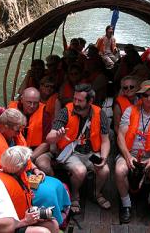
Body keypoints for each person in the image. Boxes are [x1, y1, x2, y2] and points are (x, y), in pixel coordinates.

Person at [46, 84, 111, 214]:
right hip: (72, 153)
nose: (75, 103)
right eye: (74, 99)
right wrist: (57, 135)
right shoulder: (66, 111)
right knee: (80, 171)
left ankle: (96, 194)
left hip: (91, 152)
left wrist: (103, 157)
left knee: (105, 170)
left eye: (80, 100)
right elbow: (49, 138)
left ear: (90, 101)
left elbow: (105, 140)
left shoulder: (99, 113)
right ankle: (75, 196)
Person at [116, 80, 150, 224]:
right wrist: (127, 156)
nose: (148, 99)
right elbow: (121, 135)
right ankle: (126, 204)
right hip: (131, 153)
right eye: (145, 95)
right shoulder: (130, 111)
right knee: (120, 171)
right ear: (141, 96)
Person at [0, 146, 66, 232]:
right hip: (13, 225)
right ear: (20, 167)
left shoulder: (18, 175)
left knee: (53, 223)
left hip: (24, 217)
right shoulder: (0, 185)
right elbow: (5, 220)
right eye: (26, 163)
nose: (28, 165)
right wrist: (25, 221)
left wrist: (33, 210)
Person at [0, 107, 44, 178]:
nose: (19, 133)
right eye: (17, 130)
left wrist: (35, 169)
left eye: (20, 130)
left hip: (15, 178)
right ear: (5, 127)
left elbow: (23, 158)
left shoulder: (14, 137)